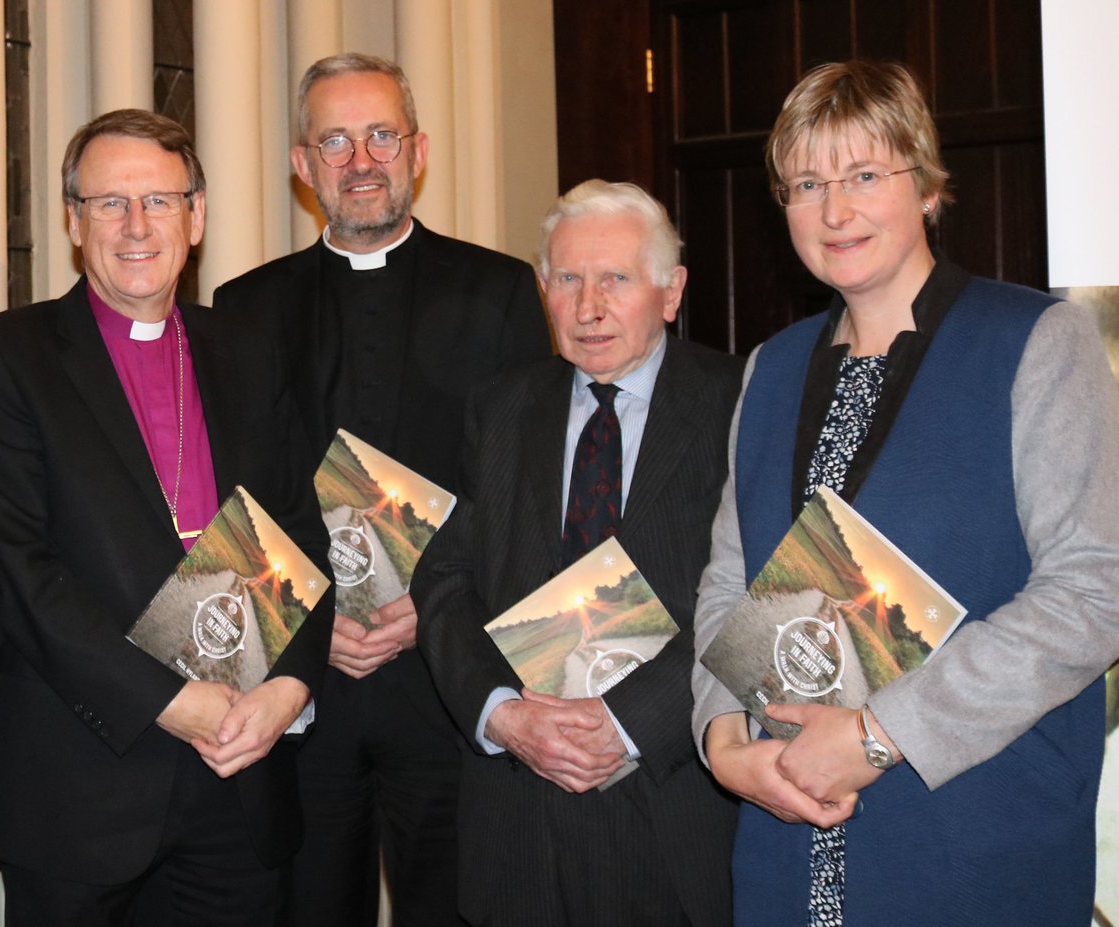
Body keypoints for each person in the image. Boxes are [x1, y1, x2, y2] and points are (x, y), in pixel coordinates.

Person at [690, 60, 1119, 926]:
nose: (835, 210)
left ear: (925, 186)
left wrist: (877, 734)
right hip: (784, 848)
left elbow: (1094, 589)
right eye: (807, 184)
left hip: (971, 845)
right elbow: (729, 579)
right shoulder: (769, 371)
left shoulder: (1035, 342)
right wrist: (721, 740)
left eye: (863, 176)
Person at [0, 109, 332, 926]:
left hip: (241, 776)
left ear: (195, 216)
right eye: (108, 203)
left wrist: (292, 686)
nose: (135, 226)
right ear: (72, 220)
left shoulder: (248, 349)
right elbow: (21, 570)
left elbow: (300, 533)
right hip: (82, 786)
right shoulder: (5, 355)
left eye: (159, 201)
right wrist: (173, 700)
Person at [210, 52, 549, 925]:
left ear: (418, 149)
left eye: (380, 136)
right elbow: (236, 491)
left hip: (450, 680)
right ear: (301, 163)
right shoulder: (244, 306)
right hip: (305, 683)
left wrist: (429, 609)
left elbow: (520, 480)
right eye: (334, 139)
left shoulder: (503, 290)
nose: (360, 160)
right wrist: (313, 627)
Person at [412, 180, 741, 927]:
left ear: (670, 289)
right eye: (568, 279)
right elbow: (446, 579)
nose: (588, 307)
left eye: (616, 279)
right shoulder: (499, 404)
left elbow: (759, 598)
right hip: (518, 827)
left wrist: (629, 723)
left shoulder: (739, 399)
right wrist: (500, 715)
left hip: (673, 805)